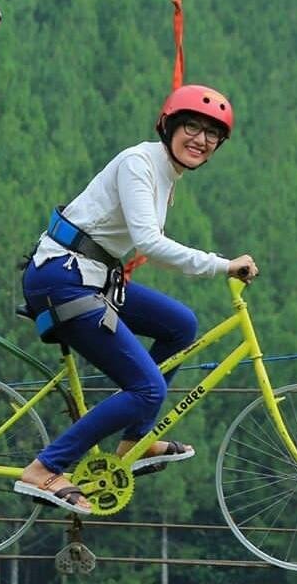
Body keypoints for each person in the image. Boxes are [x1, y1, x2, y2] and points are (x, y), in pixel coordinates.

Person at [14, 84, 258, 515]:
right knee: (146, 388)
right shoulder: (139, 163)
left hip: (92, 278)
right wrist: (221, 264)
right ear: (169, 126)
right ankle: (44, 468)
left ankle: (136, 441)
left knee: (179, 325)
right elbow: (149, 242)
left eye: (212, 134)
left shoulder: (165, 172)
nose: (200, 139)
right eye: (192, 127)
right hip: (63, 279)